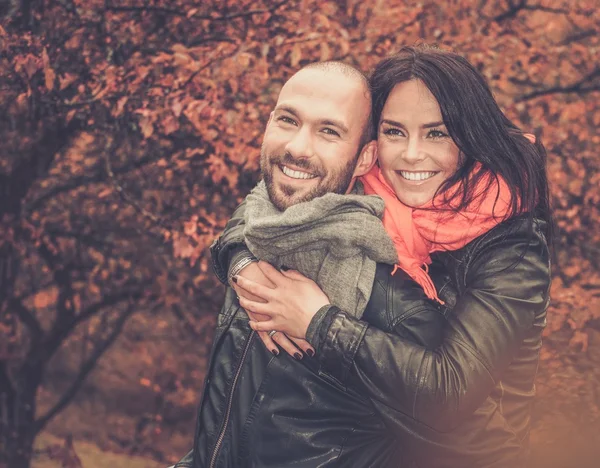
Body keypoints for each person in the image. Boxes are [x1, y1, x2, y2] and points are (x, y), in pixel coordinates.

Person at [217, 45, 552, 467]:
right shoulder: (364, 188)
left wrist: (319, 323)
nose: (411, 154)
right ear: (372, 145)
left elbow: (452, 393)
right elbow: (265, 202)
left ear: (470, 137)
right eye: (395, 131)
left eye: (437, 133)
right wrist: (242, 263)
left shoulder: (511, 245)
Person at [173, 61, 446, 468]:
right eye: (288, 120)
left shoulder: (397, 302)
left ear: (364, 158)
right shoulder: (258, 230)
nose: (299, 148)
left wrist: (324, 324)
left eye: (329, 131)